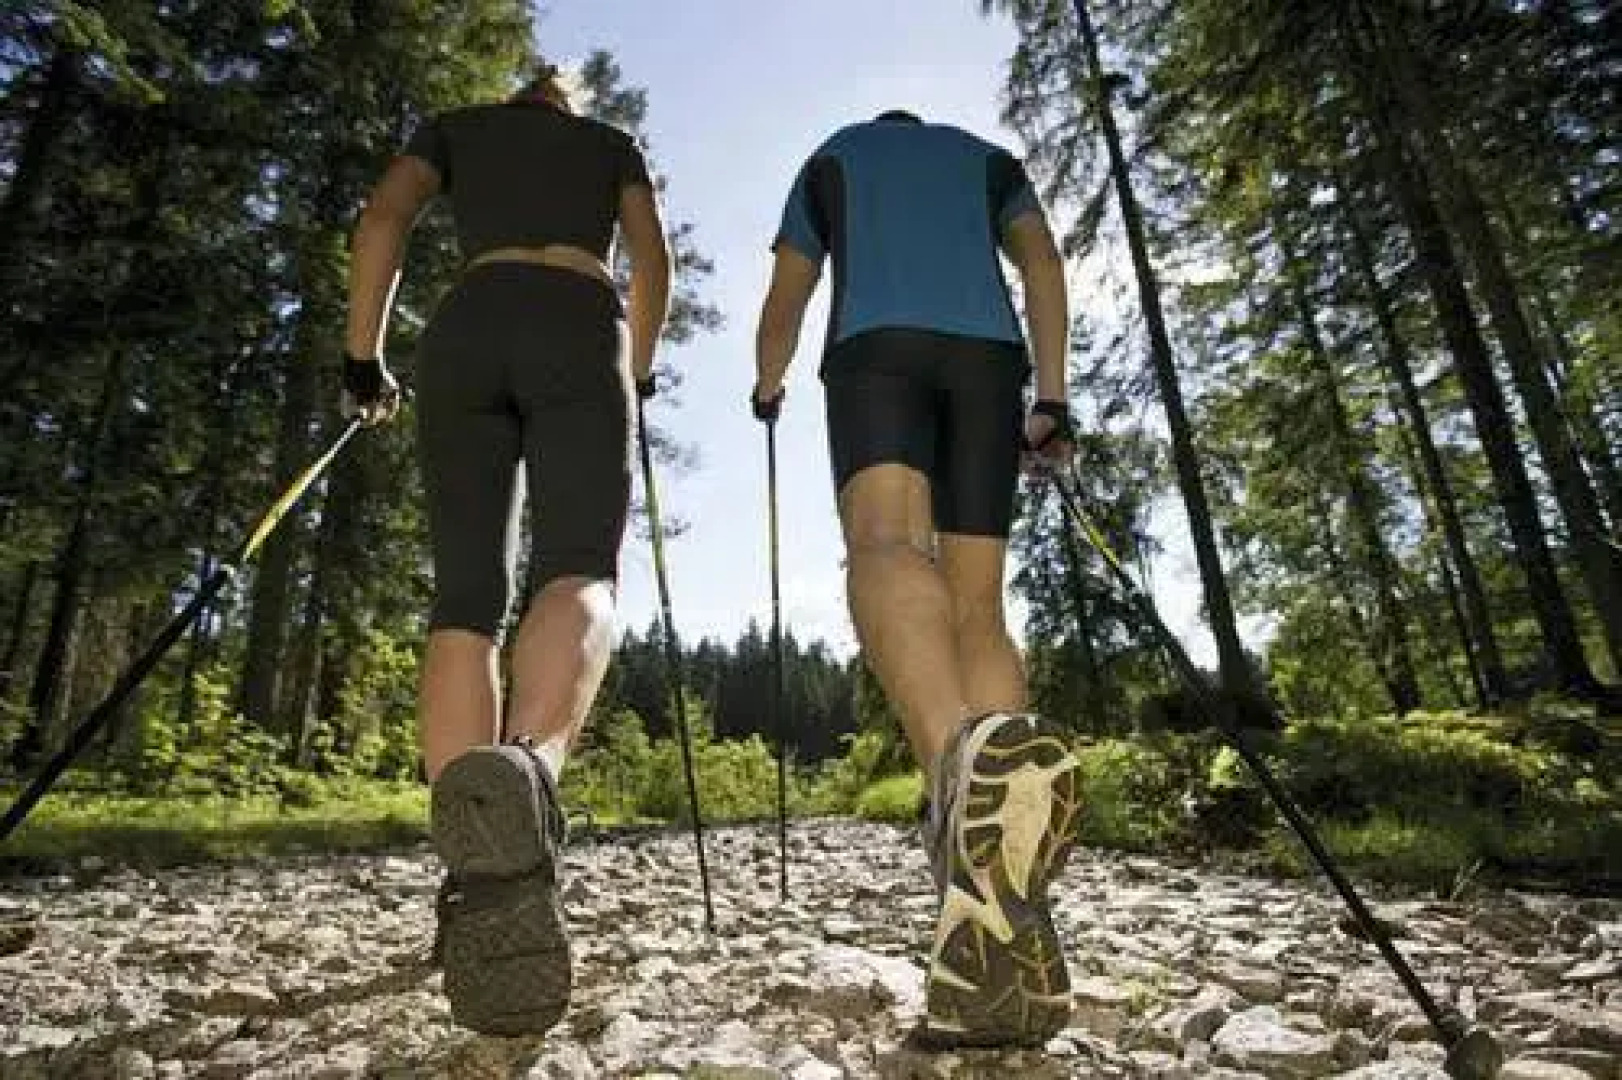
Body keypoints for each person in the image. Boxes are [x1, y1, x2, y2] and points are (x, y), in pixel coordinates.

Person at [339, 62, 671, 1036]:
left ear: (513, 98)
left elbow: (382, 220)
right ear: (563, 102)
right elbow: (650, 260)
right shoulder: (607, 145)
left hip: (467, 325)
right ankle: (527, 774)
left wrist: (363, 355)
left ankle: (472, 871)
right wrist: (635, 369)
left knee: (466, 598)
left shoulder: (449, 127)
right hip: (578, 321)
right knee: (577, 567)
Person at [750, 108, 1083, 1048]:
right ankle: (1000, 817)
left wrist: (768, 382)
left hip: (876, 351)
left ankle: (960, 788)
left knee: (889, 544)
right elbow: (1044, 266)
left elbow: (789, 296)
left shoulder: (835, 156)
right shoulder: (987, 161)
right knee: (979, 603)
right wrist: (1049, 400)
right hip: (989, 362)